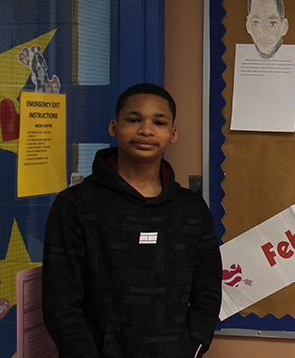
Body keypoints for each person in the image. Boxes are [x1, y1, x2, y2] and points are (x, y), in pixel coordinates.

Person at [42, 83, 222, 358]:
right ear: (114, 127)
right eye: (134, 119)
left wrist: (192, 345)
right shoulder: (75, 205)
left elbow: (207, 292)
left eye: (158, 122)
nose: (146, 130)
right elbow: (61, 304)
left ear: (172, 134)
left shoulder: (191, 209)